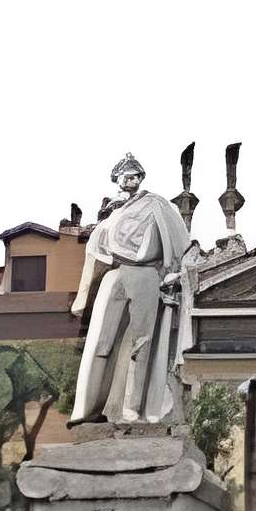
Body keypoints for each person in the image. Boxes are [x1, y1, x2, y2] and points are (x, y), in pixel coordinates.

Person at [69, 153, 192, 426]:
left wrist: (172, 274)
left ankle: (133, 408)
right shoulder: (115, 212)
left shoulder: (155, 204)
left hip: (145, 274)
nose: (129, 180)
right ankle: (89, 406)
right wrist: (82, 297)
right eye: (125, 177)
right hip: (116, 274)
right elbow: (95, 250)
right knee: (102, 341)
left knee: (141, 343)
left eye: (134, 176)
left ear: (140, 178)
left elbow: (180, 242)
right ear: (118, 180)